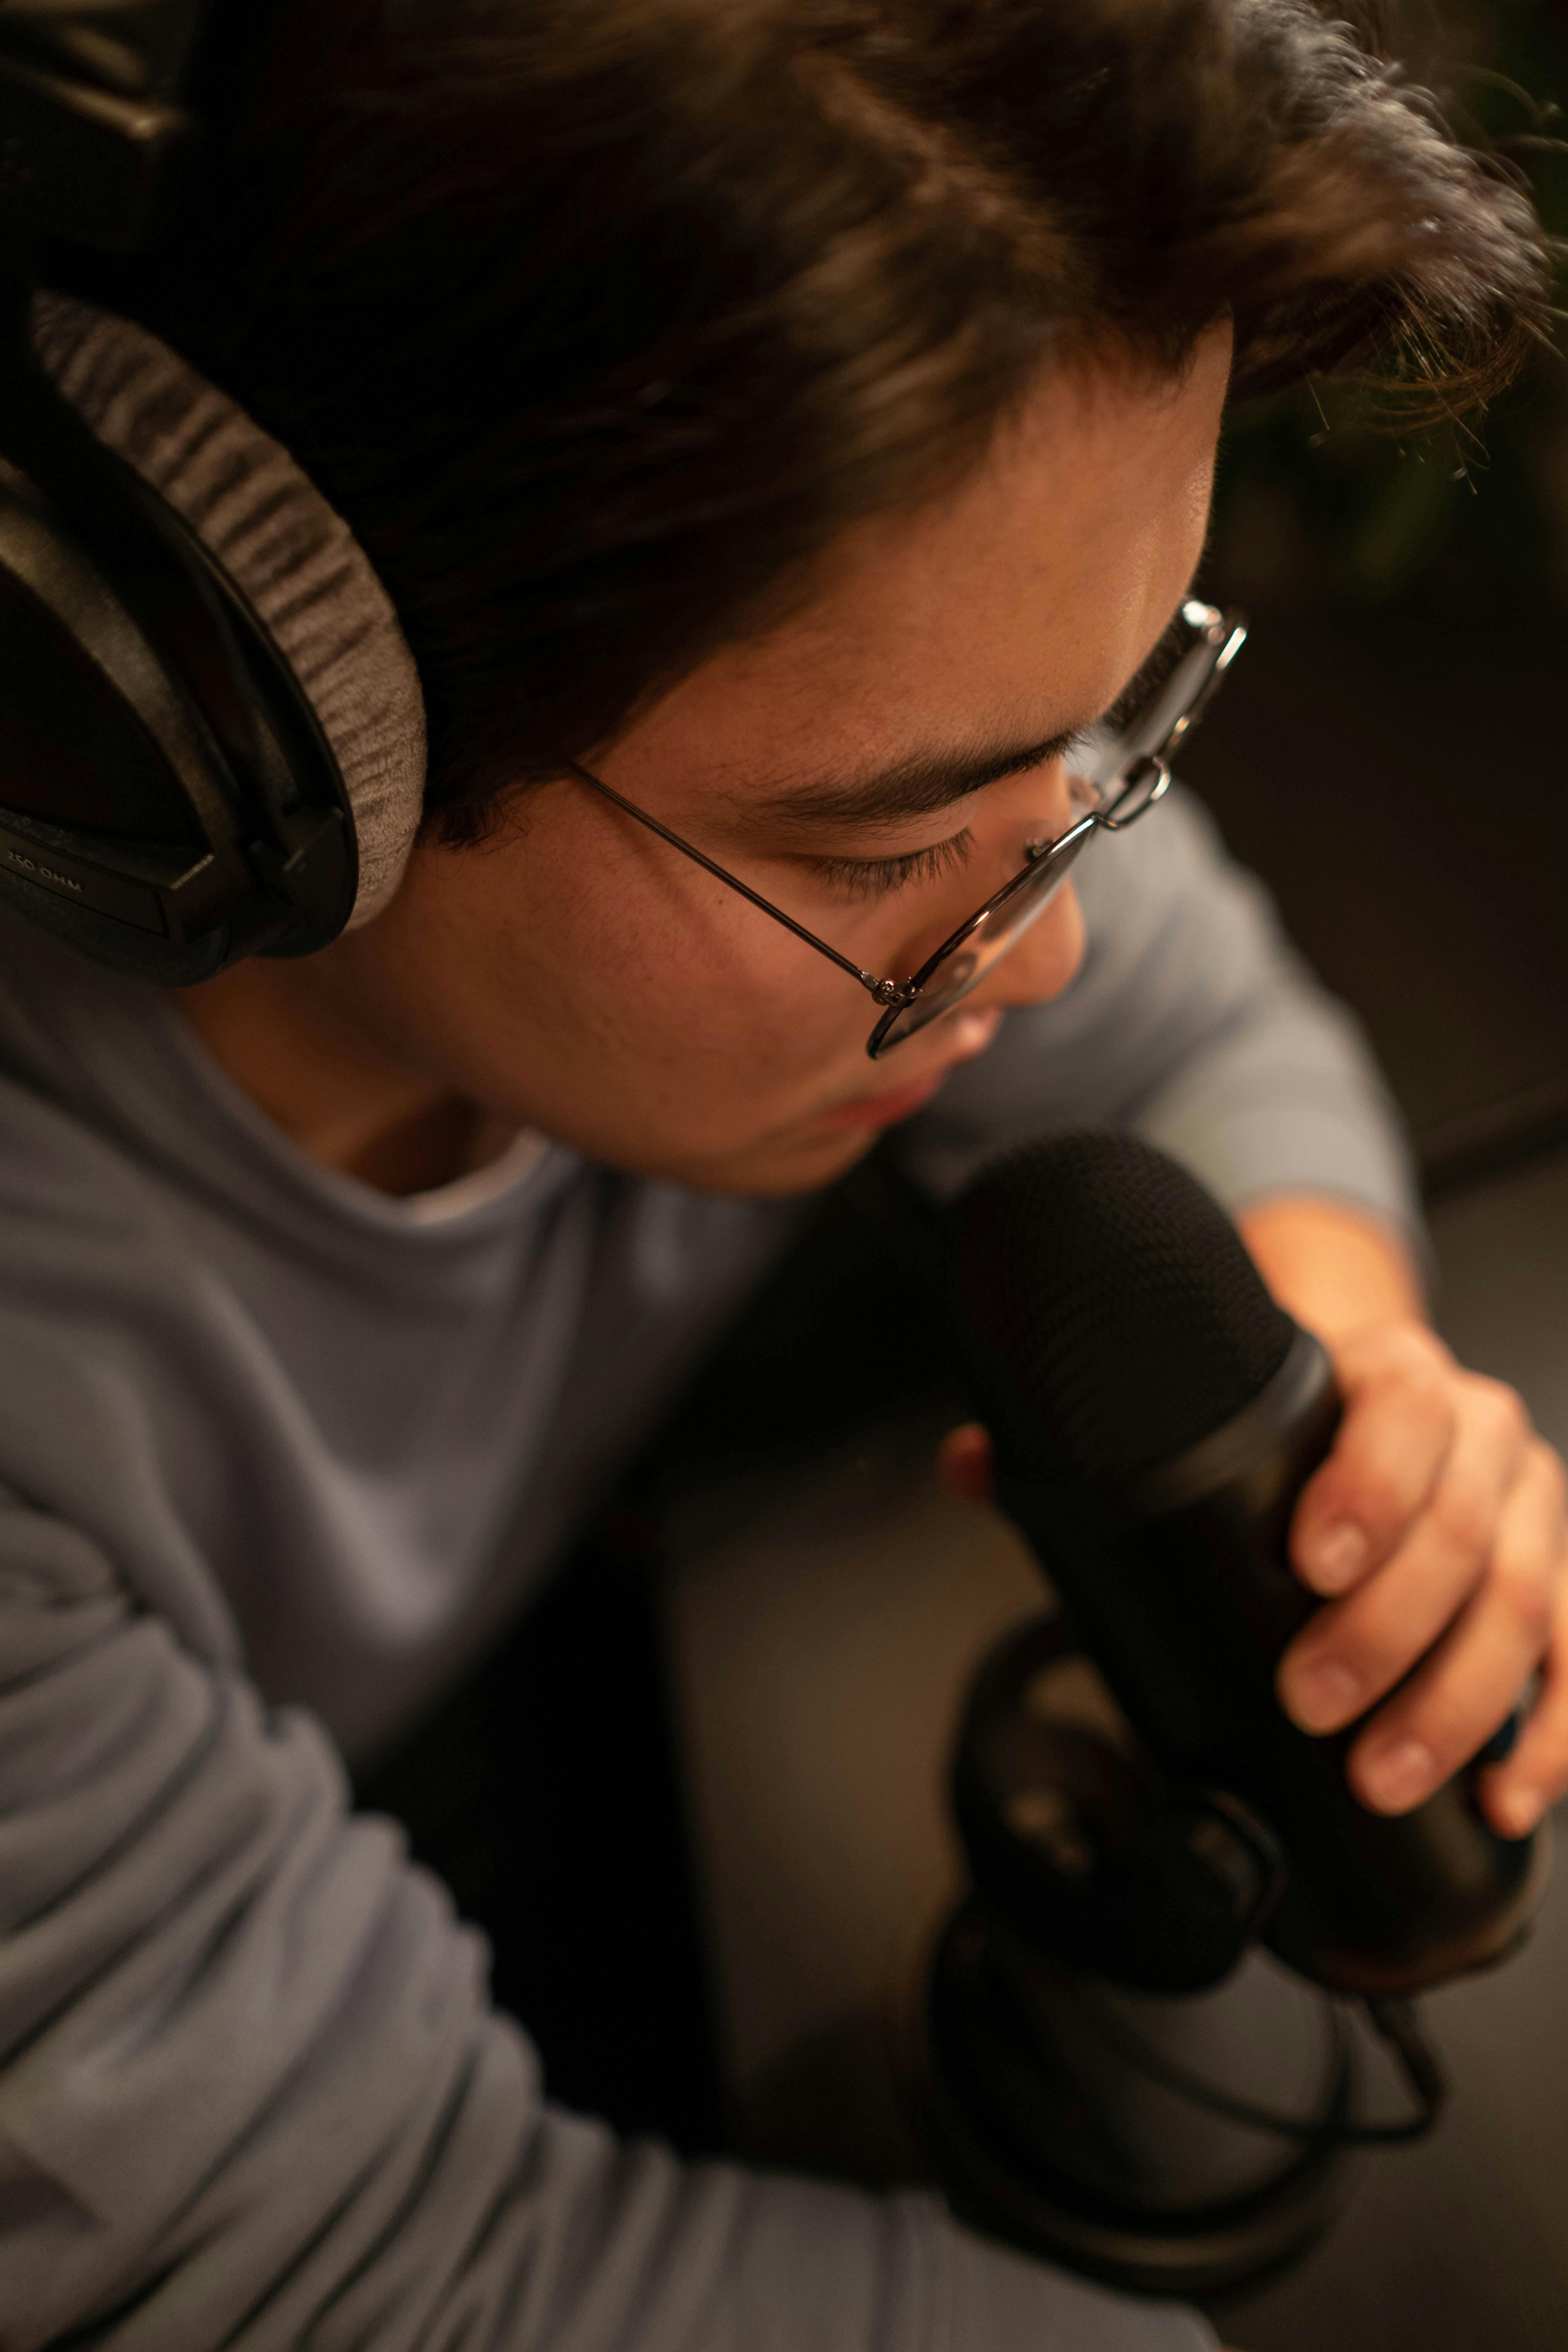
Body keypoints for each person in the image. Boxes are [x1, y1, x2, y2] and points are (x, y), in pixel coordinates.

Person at [0, 1, 1563, 2346]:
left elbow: (1199, 1034)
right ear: (243, 721)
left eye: (1103, 735)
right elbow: (397, 2269)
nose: (1039, 949)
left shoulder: (845, 739)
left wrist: (1329, 1343)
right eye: (907, 841)